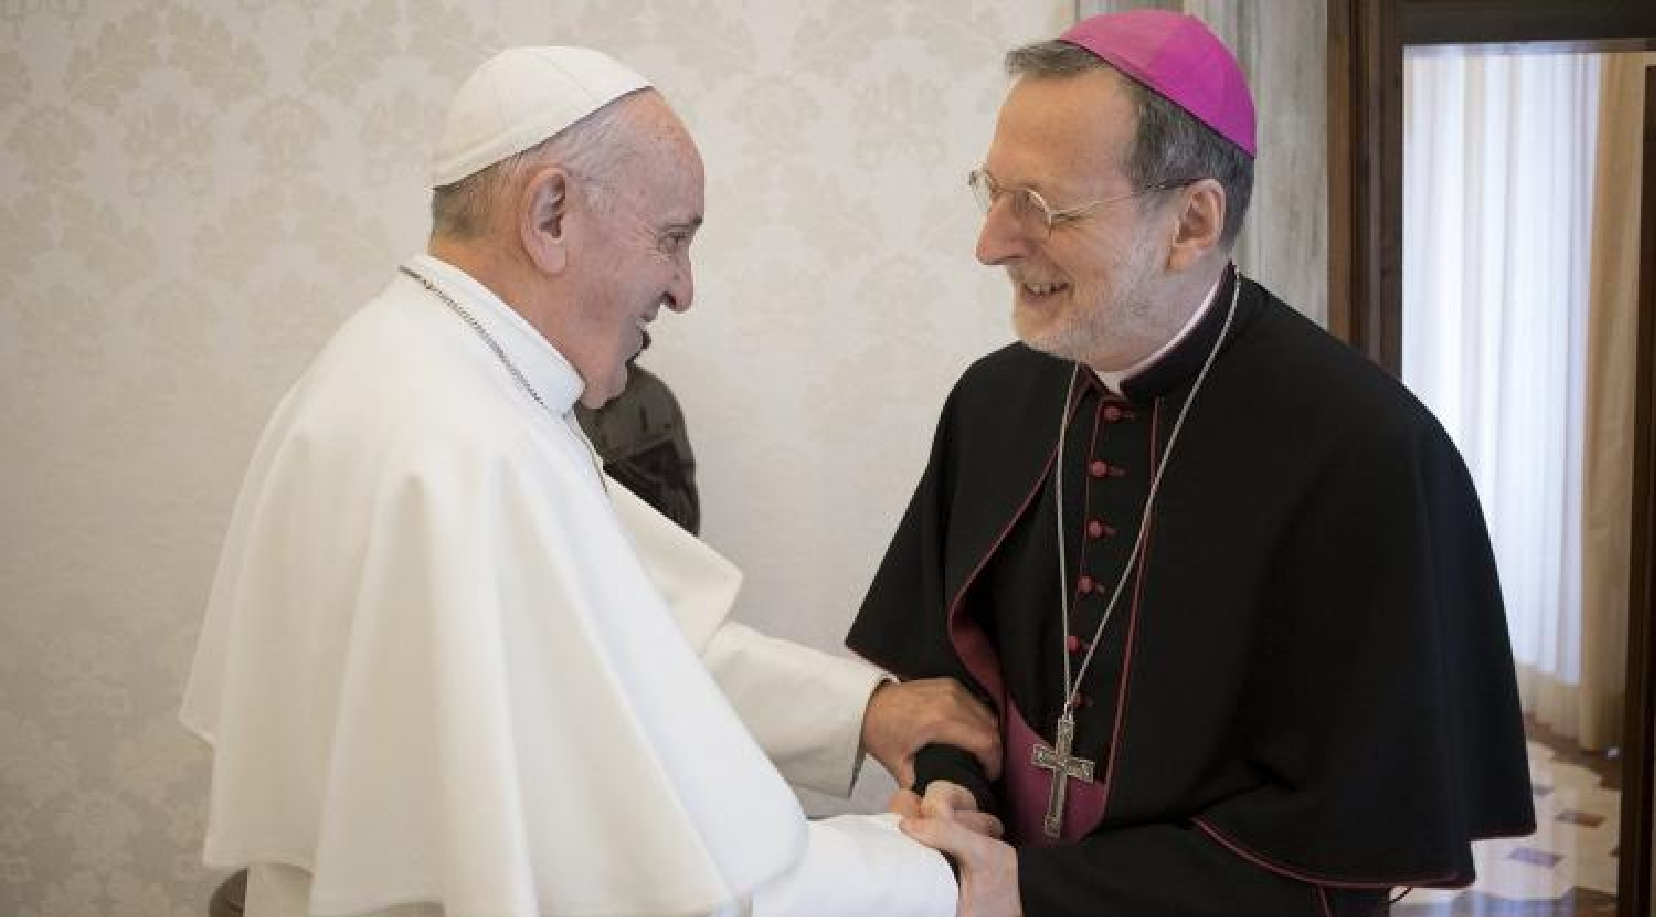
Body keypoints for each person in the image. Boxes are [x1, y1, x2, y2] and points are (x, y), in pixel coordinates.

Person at [181, 45, 1002, 917]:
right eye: (673, 238)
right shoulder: (475, 446)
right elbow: (663, 882)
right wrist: (932, 876)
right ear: (550, 212)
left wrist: (863, 712)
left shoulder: (412, 366)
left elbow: (633, 644)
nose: (683, 290)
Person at [862, 11, 1537, 917]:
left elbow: (1342, 837)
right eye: (993, 189)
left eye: (1044, 207)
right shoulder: (994, 401)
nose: (991, 242)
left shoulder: (1368, 452)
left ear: (1190, 222)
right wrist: (952, 788)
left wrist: (1043, 890)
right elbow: (946, 676)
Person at [575, 352, 701, 533]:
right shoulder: (561, 393)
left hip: (646, 542)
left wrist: (636, 475)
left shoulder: (653, 396)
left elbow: (683, 504)